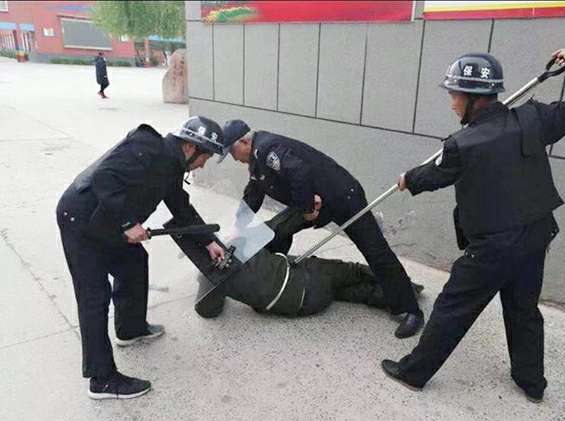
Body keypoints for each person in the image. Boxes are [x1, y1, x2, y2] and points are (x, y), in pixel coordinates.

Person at [381, 49, 565, 403]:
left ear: (474, 98)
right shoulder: (532, 119)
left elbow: (436, 174)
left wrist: (409, 179)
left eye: (454, 94)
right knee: (523, 309)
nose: (451, 102)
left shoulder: (461, 144)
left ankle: (413, 372)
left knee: (453, 306)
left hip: (494, 247)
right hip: (536, 234)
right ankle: (531, 382)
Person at [56, 116, 227, 400]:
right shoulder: (148, 146)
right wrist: (128, 223)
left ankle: (130, 328)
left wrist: (208, 241)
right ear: (189, 147)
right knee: (94, 297)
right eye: (205, 157)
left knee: (134, 263)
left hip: (106, 222)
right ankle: (102, 380)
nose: (202, 164)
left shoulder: (171, 166)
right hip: (80, 220)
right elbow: (104, 177)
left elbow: (181, 207)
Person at [221, 120, 424, 338]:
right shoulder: (257, 161)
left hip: (342, 196)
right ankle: (275, 280)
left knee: (375, 251)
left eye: (232, 152)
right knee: (277, 231)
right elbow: (253, 193)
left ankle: (410, 309)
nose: (234, 158)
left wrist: (307, 208)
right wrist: (238, 226)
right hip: (317, 202)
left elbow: (299, 171)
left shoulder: (267, 149)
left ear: (244, 142)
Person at [182, 208, 423, 319]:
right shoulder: (239, 243)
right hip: (307, 278)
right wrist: (311, 211)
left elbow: (207, 311)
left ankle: (386, 298)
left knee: (345, 292)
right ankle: (406, 289)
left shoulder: (209, 278)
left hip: (302, 306)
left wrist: (219, 285)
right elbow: (280, 226)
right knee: (352, 272)